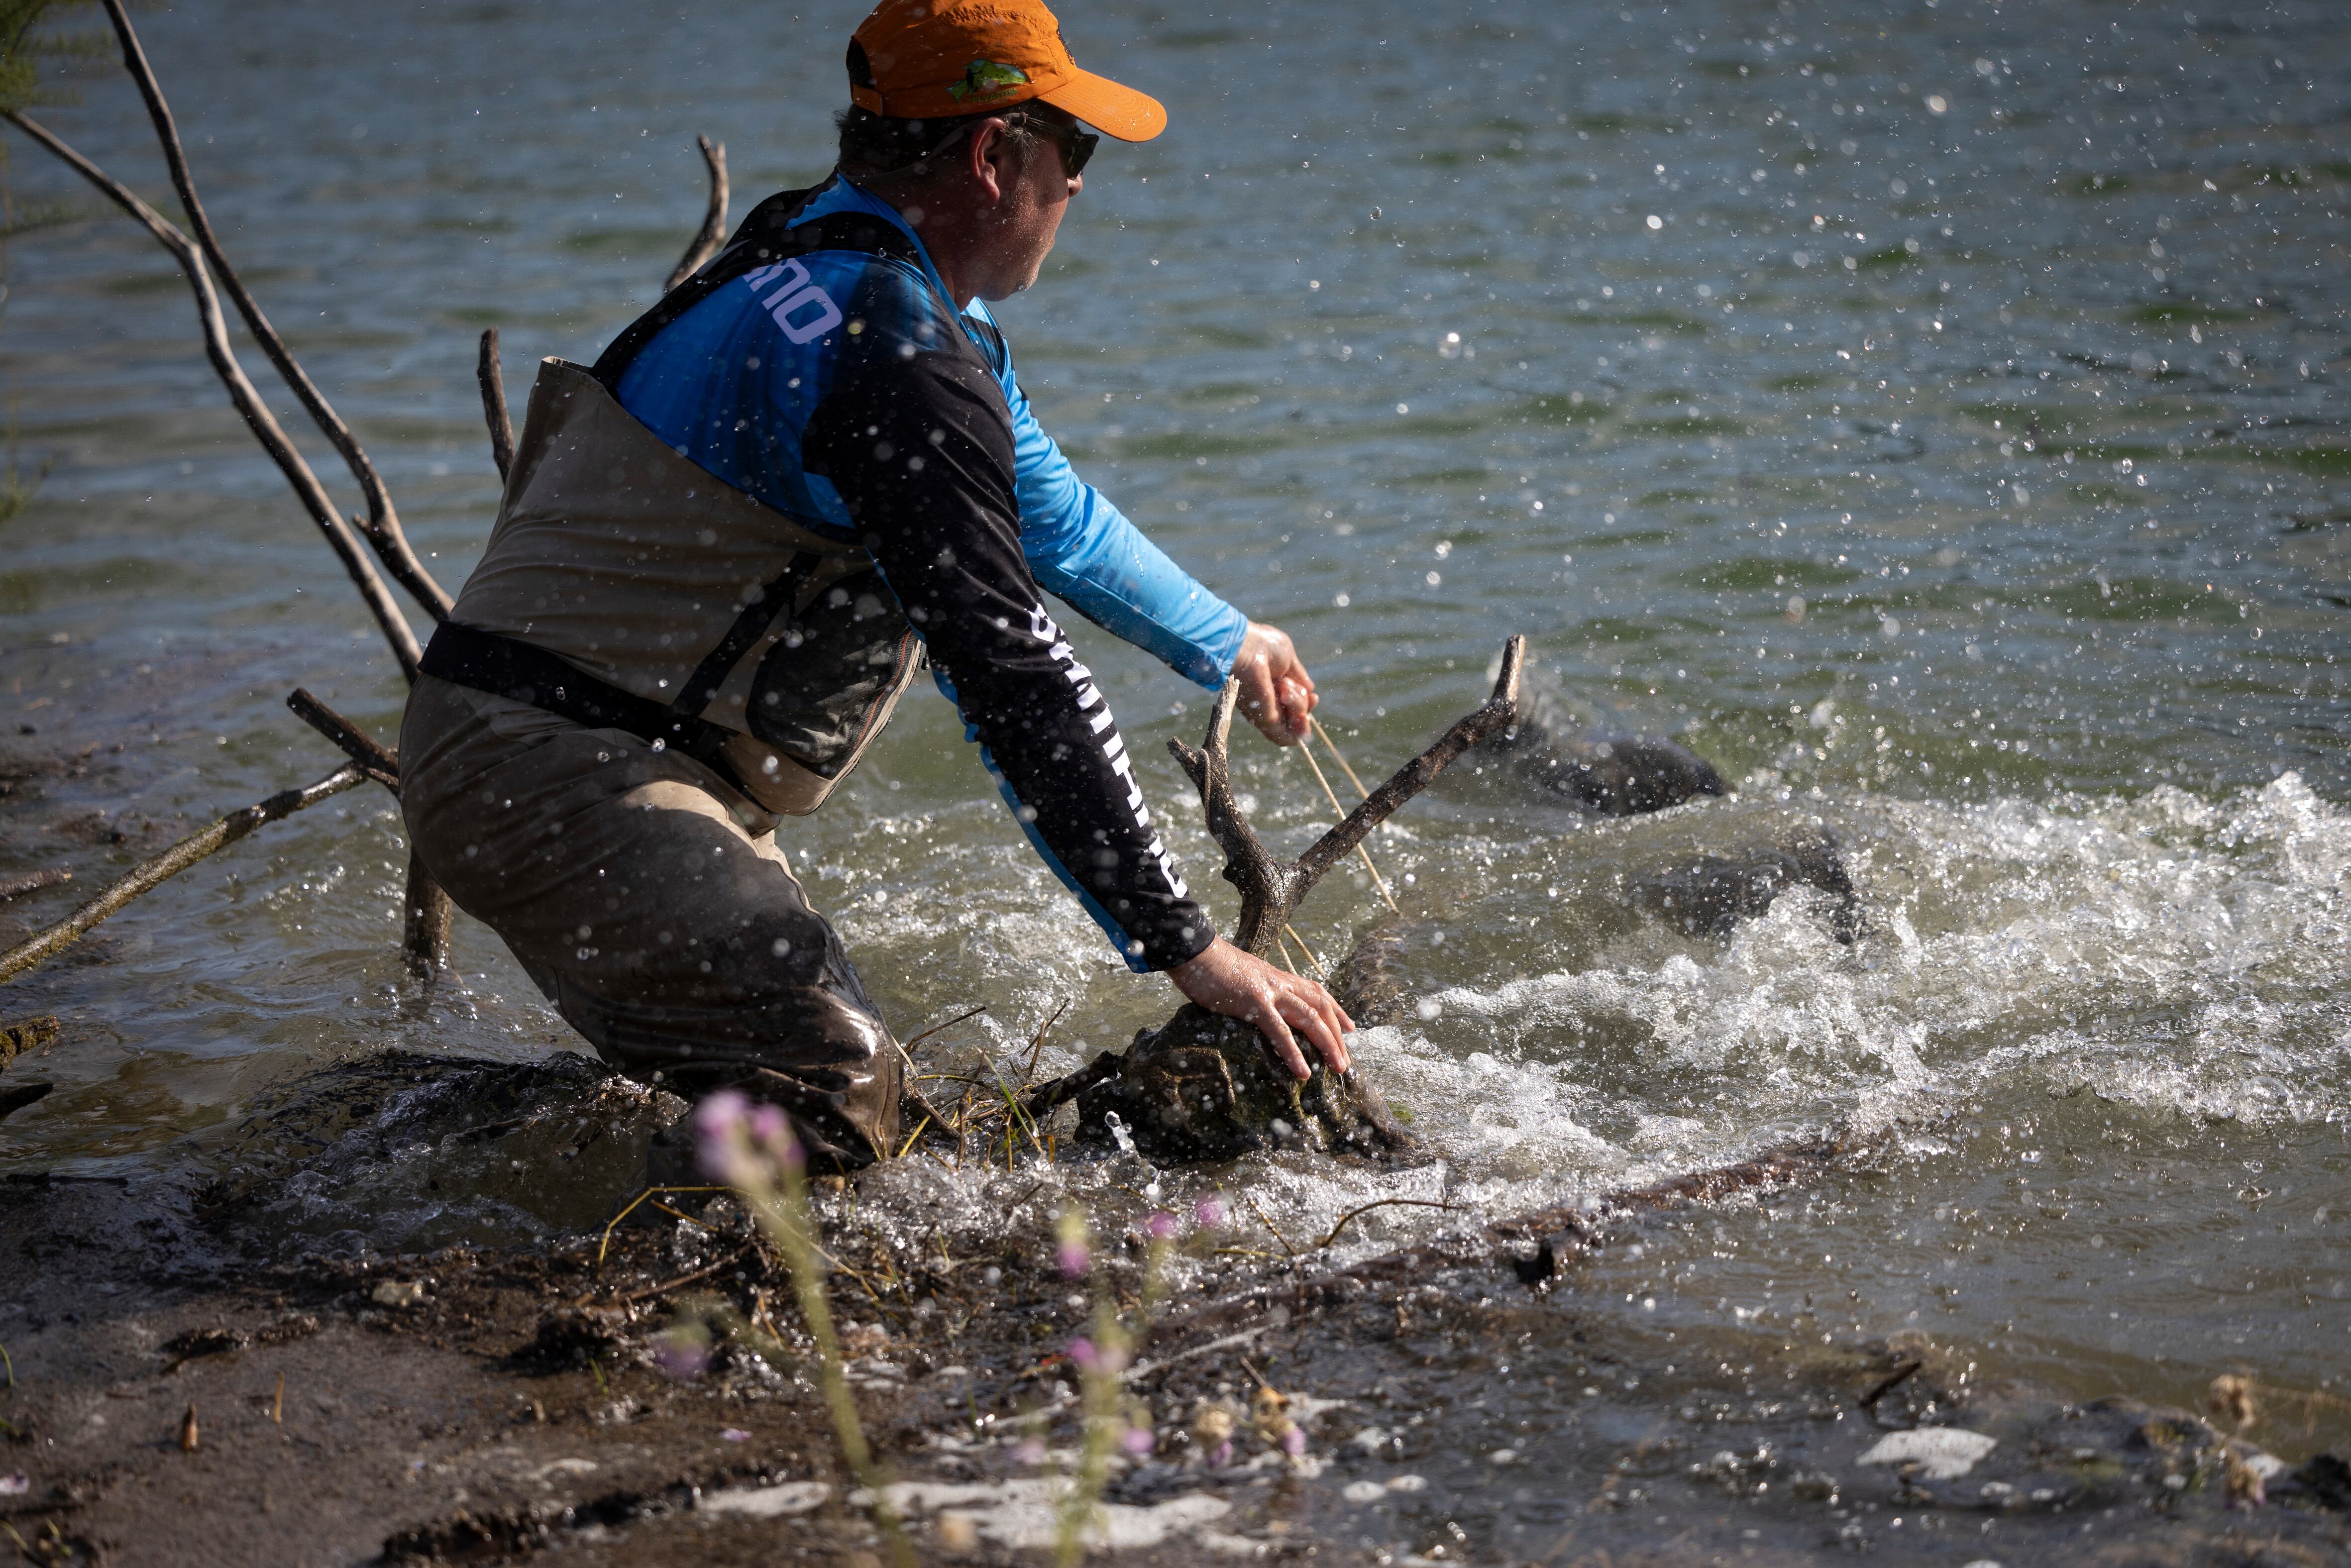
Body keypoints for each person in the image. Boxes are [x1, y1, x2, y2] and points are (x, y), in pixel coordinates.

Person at [399, 0, 1353, 1166]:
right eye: (1076, 149)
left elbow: (1045, 511)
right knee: (837, 1097)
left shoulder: (813, 253)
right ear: (994, 157)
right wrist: (1188, 948)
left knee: (829, 1078)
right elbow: (1008, 663)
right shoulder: (888, 350)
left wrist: (1225, 638)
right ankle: (594, 1276)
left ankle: (540, 1168)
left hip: (531, 748)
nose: (1083, 187)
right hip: (561, 773)